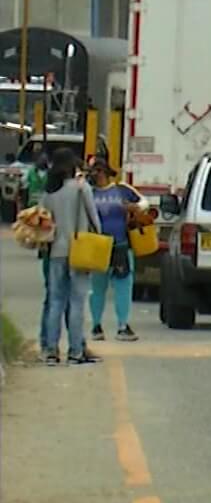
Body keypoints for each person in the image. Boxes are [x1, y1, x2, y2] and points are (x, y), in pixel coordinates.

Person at [39, 148, 102, 367]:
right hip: (80, 250)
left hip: (56, 250)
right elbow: (95, 219)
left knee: (56, 301)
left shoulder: (49, 193)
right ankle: (76, 351)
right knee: (77, 302)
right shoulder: (81, 187)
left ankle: (50, 351)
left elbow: (43, 223)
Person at [86, 158, 144, 342]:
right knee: (97, 288)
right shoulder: (88, 192)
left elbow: (144, 203)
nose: (97, 175)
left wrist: (134, 208)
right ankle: (96, 325)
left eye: (99, 171)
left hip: (120, 244)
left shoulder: (122, 189)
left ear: (106, 172)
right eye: (94, 172)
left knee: (123, 286)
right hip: (98, 245)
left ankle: (122, 325)